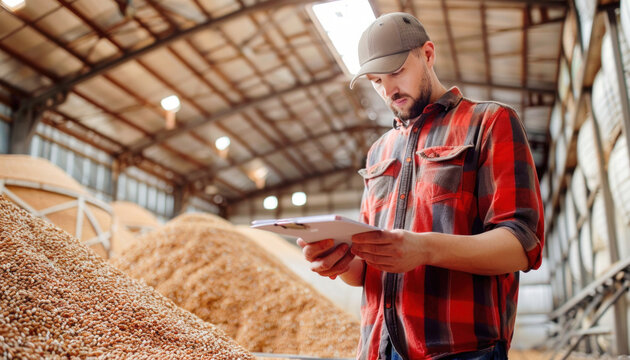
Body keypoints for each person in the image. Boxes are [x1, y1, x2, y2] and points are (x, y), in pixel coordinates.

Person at [297, 12, 544, 360]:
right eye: (375, 80)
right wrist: (339, 262)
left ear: (428, 54)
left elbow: (520, 245)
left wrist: (425, 249)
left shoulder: (489, 123)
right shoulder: (379, 152)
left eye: (396, 72)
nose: (388, 90)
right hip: (377, 349)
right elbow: (370, 269)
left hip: (459, 352)